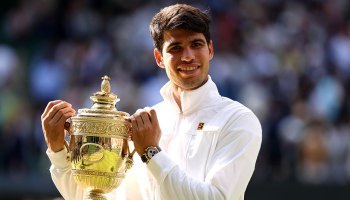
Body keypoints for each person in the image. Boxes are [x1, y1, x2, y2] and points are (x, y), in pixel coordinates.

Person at [41, 4, 262, 200]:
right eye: (175, 48)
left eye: (196, 44)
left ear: (210, 50)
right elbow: (93, 196)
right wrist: (58, 150)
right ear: (158, 58)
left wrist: (150, 153)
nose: (188, 56)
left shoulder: (238, 119)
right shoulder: (145, 123)